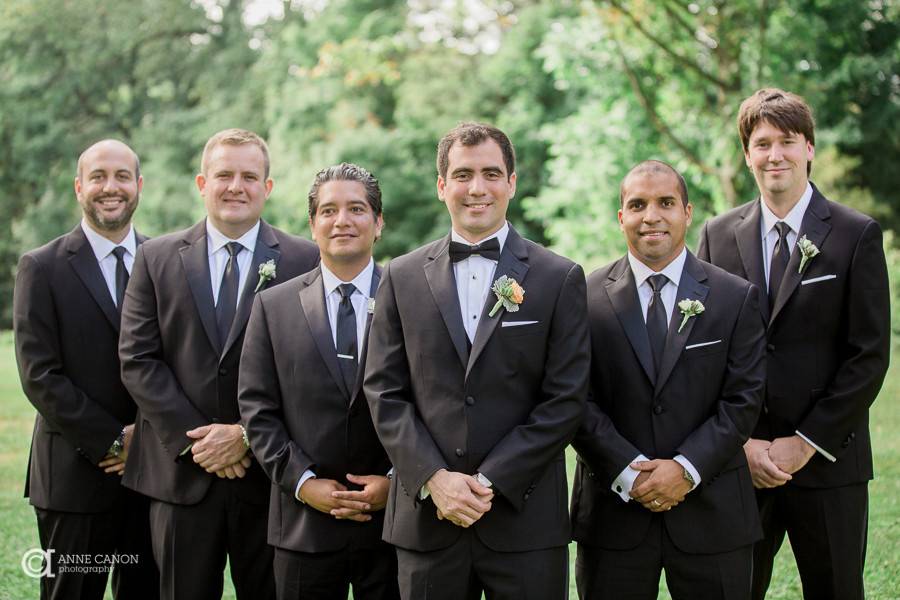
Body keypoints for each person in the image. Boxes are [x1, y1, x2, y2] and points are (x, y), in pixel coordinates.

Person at [364, 122, 589, 600]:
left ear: (512, 182)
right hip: (428, 522)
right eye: (463, 175)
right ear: (442, 185)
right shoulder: (400, 277)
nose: (477, 188)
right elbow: (384, 392)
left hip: (525, 521)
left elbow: (565, 399)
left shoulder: (559, 277)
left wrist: (490, 481)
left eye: (491, 173)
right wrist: (435, 479)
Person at [697, 88, 890, 600]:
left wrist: (804, 443)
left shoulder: (855, 234)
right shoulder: (717, 235)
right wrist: (742, 445)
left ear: (808, 147)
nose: (774, 155)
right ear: (747, 154)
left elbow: (868, 354)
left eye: (787, 141)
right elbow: (702, 351)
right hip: (741, 463)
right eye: (762, 143)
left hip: (829, 461)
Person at [118, 128, 320, 600]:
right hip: (181, 474)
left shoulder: (303, 259)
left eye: (249, 176)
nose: (236, 186)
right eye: (224, 174)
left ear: (267, 188)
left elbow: (310, 368)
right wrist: (199, 442)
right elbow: (138, 358)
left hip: (269, 477)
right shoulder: (155, 257)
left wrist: (247, 435)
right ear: (202, 183)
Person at [571, 160, 765, 599]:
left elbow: (744, 400)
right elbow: (574, 399)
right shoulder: (582, 296)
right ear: (621, 216)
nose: (651, 216)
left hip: (713, 514)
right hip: (613, 513)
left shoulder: (735, 297)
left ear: (687, 212)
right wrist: (628, 472)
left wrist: (686, 468)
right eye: (637, 205)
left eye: (665, 203)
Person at [238, 163, 398, 600]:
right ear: (312, 225)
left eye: (356, 209)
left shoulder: (412, 299)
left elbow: (431, 402)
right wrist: (305, 483)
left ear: (378, 222)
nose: (341, 220)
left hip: (392, 527)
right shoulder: (273, 307)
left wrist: (396, 480)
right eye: (328, 211)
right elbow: (257, 410)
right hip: (302, 526)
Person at [13, 139, 159, 599]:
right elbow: (40, 375)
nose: (109, 187)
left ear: (139, 186)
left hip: (152, 479)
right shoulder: (42, 266)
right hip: (73, 478)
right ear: (79, 187)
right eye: (97, 177)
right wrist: (116, 439)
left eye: (121, 177)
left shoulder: (165, 262)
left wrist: (146, 440)